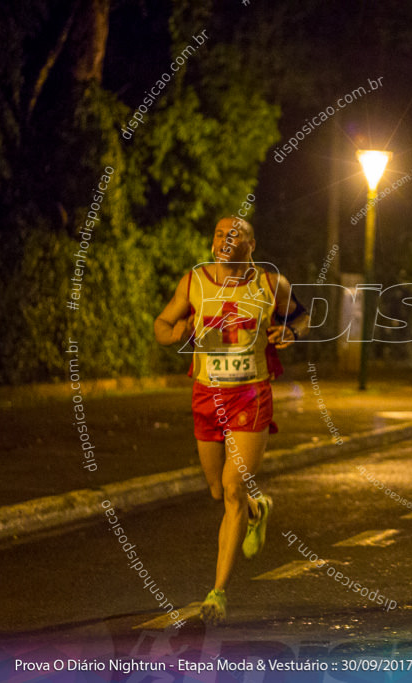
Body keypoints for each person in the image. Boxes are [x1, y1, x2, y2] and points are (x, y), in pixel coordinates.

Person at [154, 216, 309, 625]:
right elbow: (162, 325)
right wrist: (177, 333)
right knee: (216, 490)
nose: (227, 238)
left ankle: (217, 593)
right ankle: (257, 510)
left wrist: (290, 333)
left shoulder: (271, 284)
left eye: (235, 233)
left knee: (231, 485)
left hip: (251, 394)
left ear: (251, 245)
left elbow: (302, 317)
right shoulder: (194, 282)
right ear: (211, 244)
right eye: (220, 233)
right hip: (206, 393)